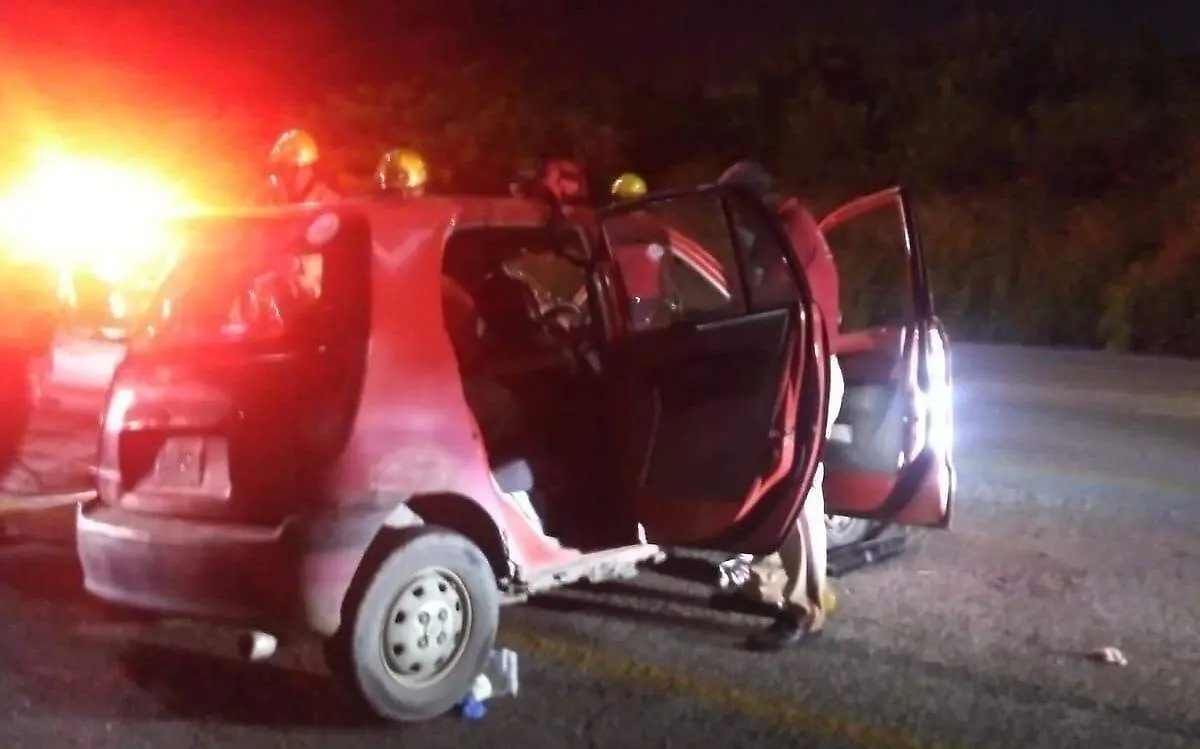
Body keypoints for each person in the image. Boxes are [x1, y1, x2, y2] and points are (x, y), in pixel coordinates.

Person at [715, 160, 844, 651]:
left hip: (806, 374)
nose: (739, 225)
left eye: (736, 212)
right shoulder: (793, 224)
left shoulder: (784, 234)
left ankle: (804, 607)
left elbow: (764, 303)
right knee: (787, 487)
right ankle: (773, 587)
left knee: (795, 491)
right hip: (805, 368)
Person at [253, 129, 340, 205]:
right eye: (279, 166)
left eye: (285, 166)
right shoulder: (268, 193)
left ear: (302, 168)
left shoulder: (324, 199)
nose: (280, 174)